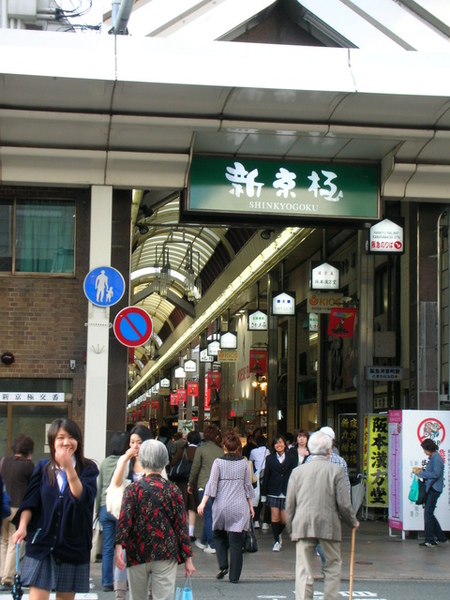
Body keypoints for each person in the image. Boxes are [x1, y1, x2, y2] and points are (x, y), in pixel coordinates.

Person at [11, 418, 98, 600]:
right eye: (61, 438)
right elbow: (30, 502)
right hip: (43, 542)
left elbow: (81, 499)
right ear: (52, 441)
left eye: (71, 437)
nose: (66, 442)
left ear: (78, 441)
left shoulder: (88, 468)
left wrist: (68, 469)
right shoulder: (43, 467)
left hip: (72, 544)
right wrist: (22, 526)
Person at [115, 440, 195, 600]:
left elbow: (124, 522)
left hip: (137, 551)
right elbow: (181, 527)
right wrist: (188, 559)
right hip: (165, 552)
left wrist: (119, 548)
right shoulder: (173, 490)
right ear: (165, 461)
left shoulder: (132, 490)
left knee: (137, 597)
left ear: (143, 461)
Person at [285, 430, 359, 600]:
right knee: (332, 566)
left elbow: (290, 504)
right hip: (329, 525)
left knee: (304, 569)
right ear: (329, 451)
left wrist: (290, 527)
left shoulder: (298, 471)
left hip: (303, 525)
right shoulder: (336, 470)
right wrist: (352, 521)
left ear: (310, 449)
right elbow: (343, 502)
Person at [198, 430, 254, 584]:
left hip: (221, 506)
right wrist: (251, 506)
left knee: (218, 535)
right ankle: (234, 577)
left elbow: (211, 484)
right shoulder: (244, 463)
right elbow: (248, 486)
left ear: (224, 448)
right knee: (236, 542)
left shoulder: (218, 463)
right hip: (239, 505)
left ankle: (223, 564)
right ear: (238, 448)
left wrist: (203, 502)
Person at [110, 424, 153, 600]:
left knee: (149, 557)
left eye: (139, 442)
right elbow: (117, 482)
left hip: (149, 518)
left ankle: (149, 593)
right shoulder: (125, 461)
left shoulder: (154, 461)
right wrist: (125, 460)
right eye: (132, 442)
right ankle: (120, 594)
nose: (135, 446)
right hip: (127, 517)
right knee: (123, 555)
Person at [94, 431, 130, 591]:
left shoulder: (104, 462)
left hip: (105, 507)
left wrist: (96, 510)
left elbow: (99, 487)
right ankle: (122, 581)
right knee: (125, 546)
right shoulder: (126, 462)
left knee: (108, 547)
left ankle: (107, 582)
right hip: (122, 508)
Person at [0, 434, 35, 591]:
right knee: (15, 543)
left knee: (3, 542)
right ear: (28, 450)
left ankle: (1, 575)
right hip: (19, 507)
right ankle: (8, 578)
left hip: (4, 507)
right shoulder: (28, 466)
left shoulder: (3, 462)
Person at [188, 424, 223, 554]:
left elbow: (195, 468)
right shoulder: (220, 451)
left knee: (208, 515)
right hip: (218, 487)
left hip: (204, 485)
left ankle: (213, 545)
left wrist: (190, 483)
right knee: (212, 514)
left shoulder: (201, 450)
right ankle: (202, 541)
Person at [260, 435, 296, 551]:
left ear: (285, 444)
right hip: (273, 491)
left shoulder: (291, 457)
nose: (278, 445)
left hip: (287, 491)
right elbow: (266, 477)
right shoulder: (269, 459)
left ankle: (278, 533)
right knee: (274, 518)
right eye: (276, 443)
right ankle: (276, 541)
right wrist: (263, 495)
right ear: (273, 446)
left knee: (284, 519)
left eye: (281, 442)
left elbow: (295, 474)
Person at [413, 438, 448, 547]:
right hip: (432, 489)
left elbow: (436, 474)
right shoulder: (434, 457)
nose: (424, 452)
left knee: (428, 514)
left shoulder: (436, 459)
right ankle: (441, 537)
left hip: (434, 489)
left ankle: (430, 540)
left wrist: (421, 474)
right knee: (429, 514)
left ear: (429, 448)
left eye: (424, 449)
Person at [170, 430, 201, 541]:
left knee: (183, 506)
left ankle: (184, 531)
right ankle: (191, 533)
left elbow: (173, 462)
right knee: (192, 507)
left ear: (187, 439)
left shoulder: (183, 450)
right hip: (195, 482)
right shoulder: (200, 451)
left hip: (182, 481)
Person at [249, 435, 270, 529]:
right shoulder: (268, 451)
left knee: (257, 499)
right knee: (266, 499)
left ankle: (256, 520)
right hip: (267, 477)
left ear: (256, 443)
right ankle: (265, 522)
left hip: (257, 477)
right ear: (266, 443)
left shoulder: (253, 451)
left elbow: (250, 462)